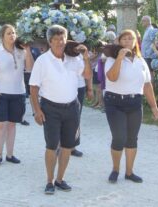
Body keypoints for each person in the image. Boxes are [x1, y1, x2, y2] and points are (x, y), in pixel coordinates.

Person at [29, 25, 91, 195]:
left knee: (67, 146)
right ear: (49, 42)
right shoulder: (42, 60)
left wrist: (86, 58)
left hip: (71, 107)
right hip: (50, 108)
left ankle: (60, 179)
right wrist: (37, 111)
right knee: (51, 146)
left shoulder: (74, 59)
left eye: (61, 38)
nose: (59, 42)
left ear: (66, 39)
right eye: (55, 39)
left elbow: (86, 76)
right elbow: (33, 88)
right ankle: (49, 181)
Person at [104, 29, 158, 183]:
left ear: (136, 42)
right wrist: (120, 58)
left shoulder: (141, 61)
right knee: (119, 138)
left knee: (132, 139)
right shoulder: (111, 59)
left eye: (131, 39)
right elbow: (112, 78)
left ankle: (129, 172)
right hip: (115, 102)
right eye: (124, 39)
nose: (128, 42)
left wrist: (154, 106)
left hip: (135, 102)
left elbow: (147, 85)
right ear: (119, 42)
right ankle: (115, 169)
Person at [0, 25, 34, 165]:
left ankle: (10, 154)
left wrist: (28, 49)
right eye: (9, 33)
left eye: (13, 33)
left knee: (12, 125)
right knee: (0, 125)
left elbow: (30, 68)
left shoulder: (21, 51)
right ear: (2, 36)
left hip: (18, 93)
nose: (12, 35)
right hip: (1, 93)